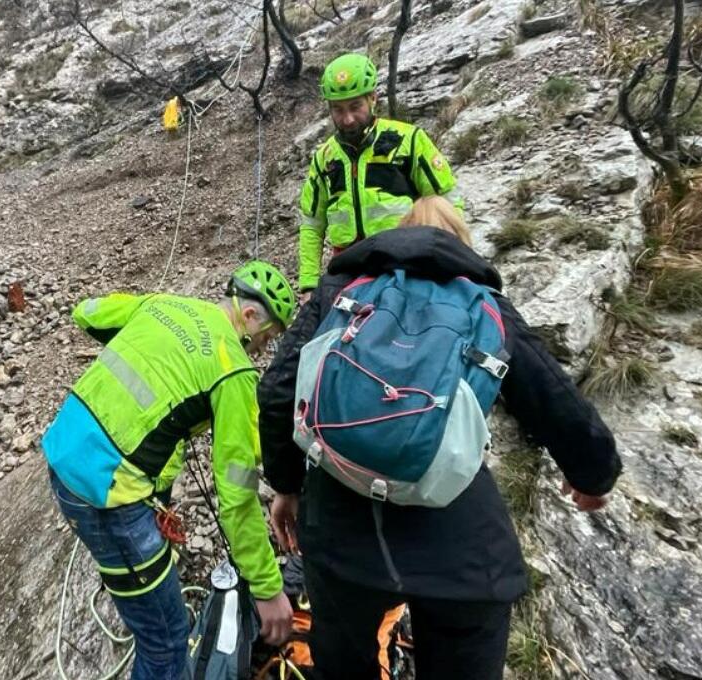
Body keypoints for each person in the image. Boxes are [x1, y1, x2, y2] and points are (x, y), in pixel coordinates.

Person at [257, 197, 622, 679]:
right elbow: (554, 397)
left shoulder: (342, 288)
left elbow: (279, 389)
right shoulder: (484, 305)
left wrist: (286, 487)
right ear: (461, 244)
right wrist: (593, 477)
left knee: (343, 660)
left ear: (395, 236)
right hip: (458, 544)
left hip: (342, 532)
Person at [42, 261, 298, 679]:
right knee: (166, 642)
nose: (260, 350)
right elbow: (237, 492)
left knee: (155, 617)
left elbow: (87, 311)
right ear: (249, 315)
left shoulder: (166, 305)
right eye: (265, 339)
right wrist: (268, 588)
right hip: (110, 497)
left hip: (63, 451)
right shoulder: (234, 371)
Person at [297, 53, 464, 300]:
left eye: (355, 107)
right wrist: (309, 284)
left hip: (405, 262)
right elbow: (312, 224)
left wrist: (453, 262)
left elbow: (446, 202)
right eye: (338, 110)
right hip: (347, 268)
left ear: (373, 98)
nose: (348, 119)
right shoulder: (324, 157)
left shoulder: (409, 140)